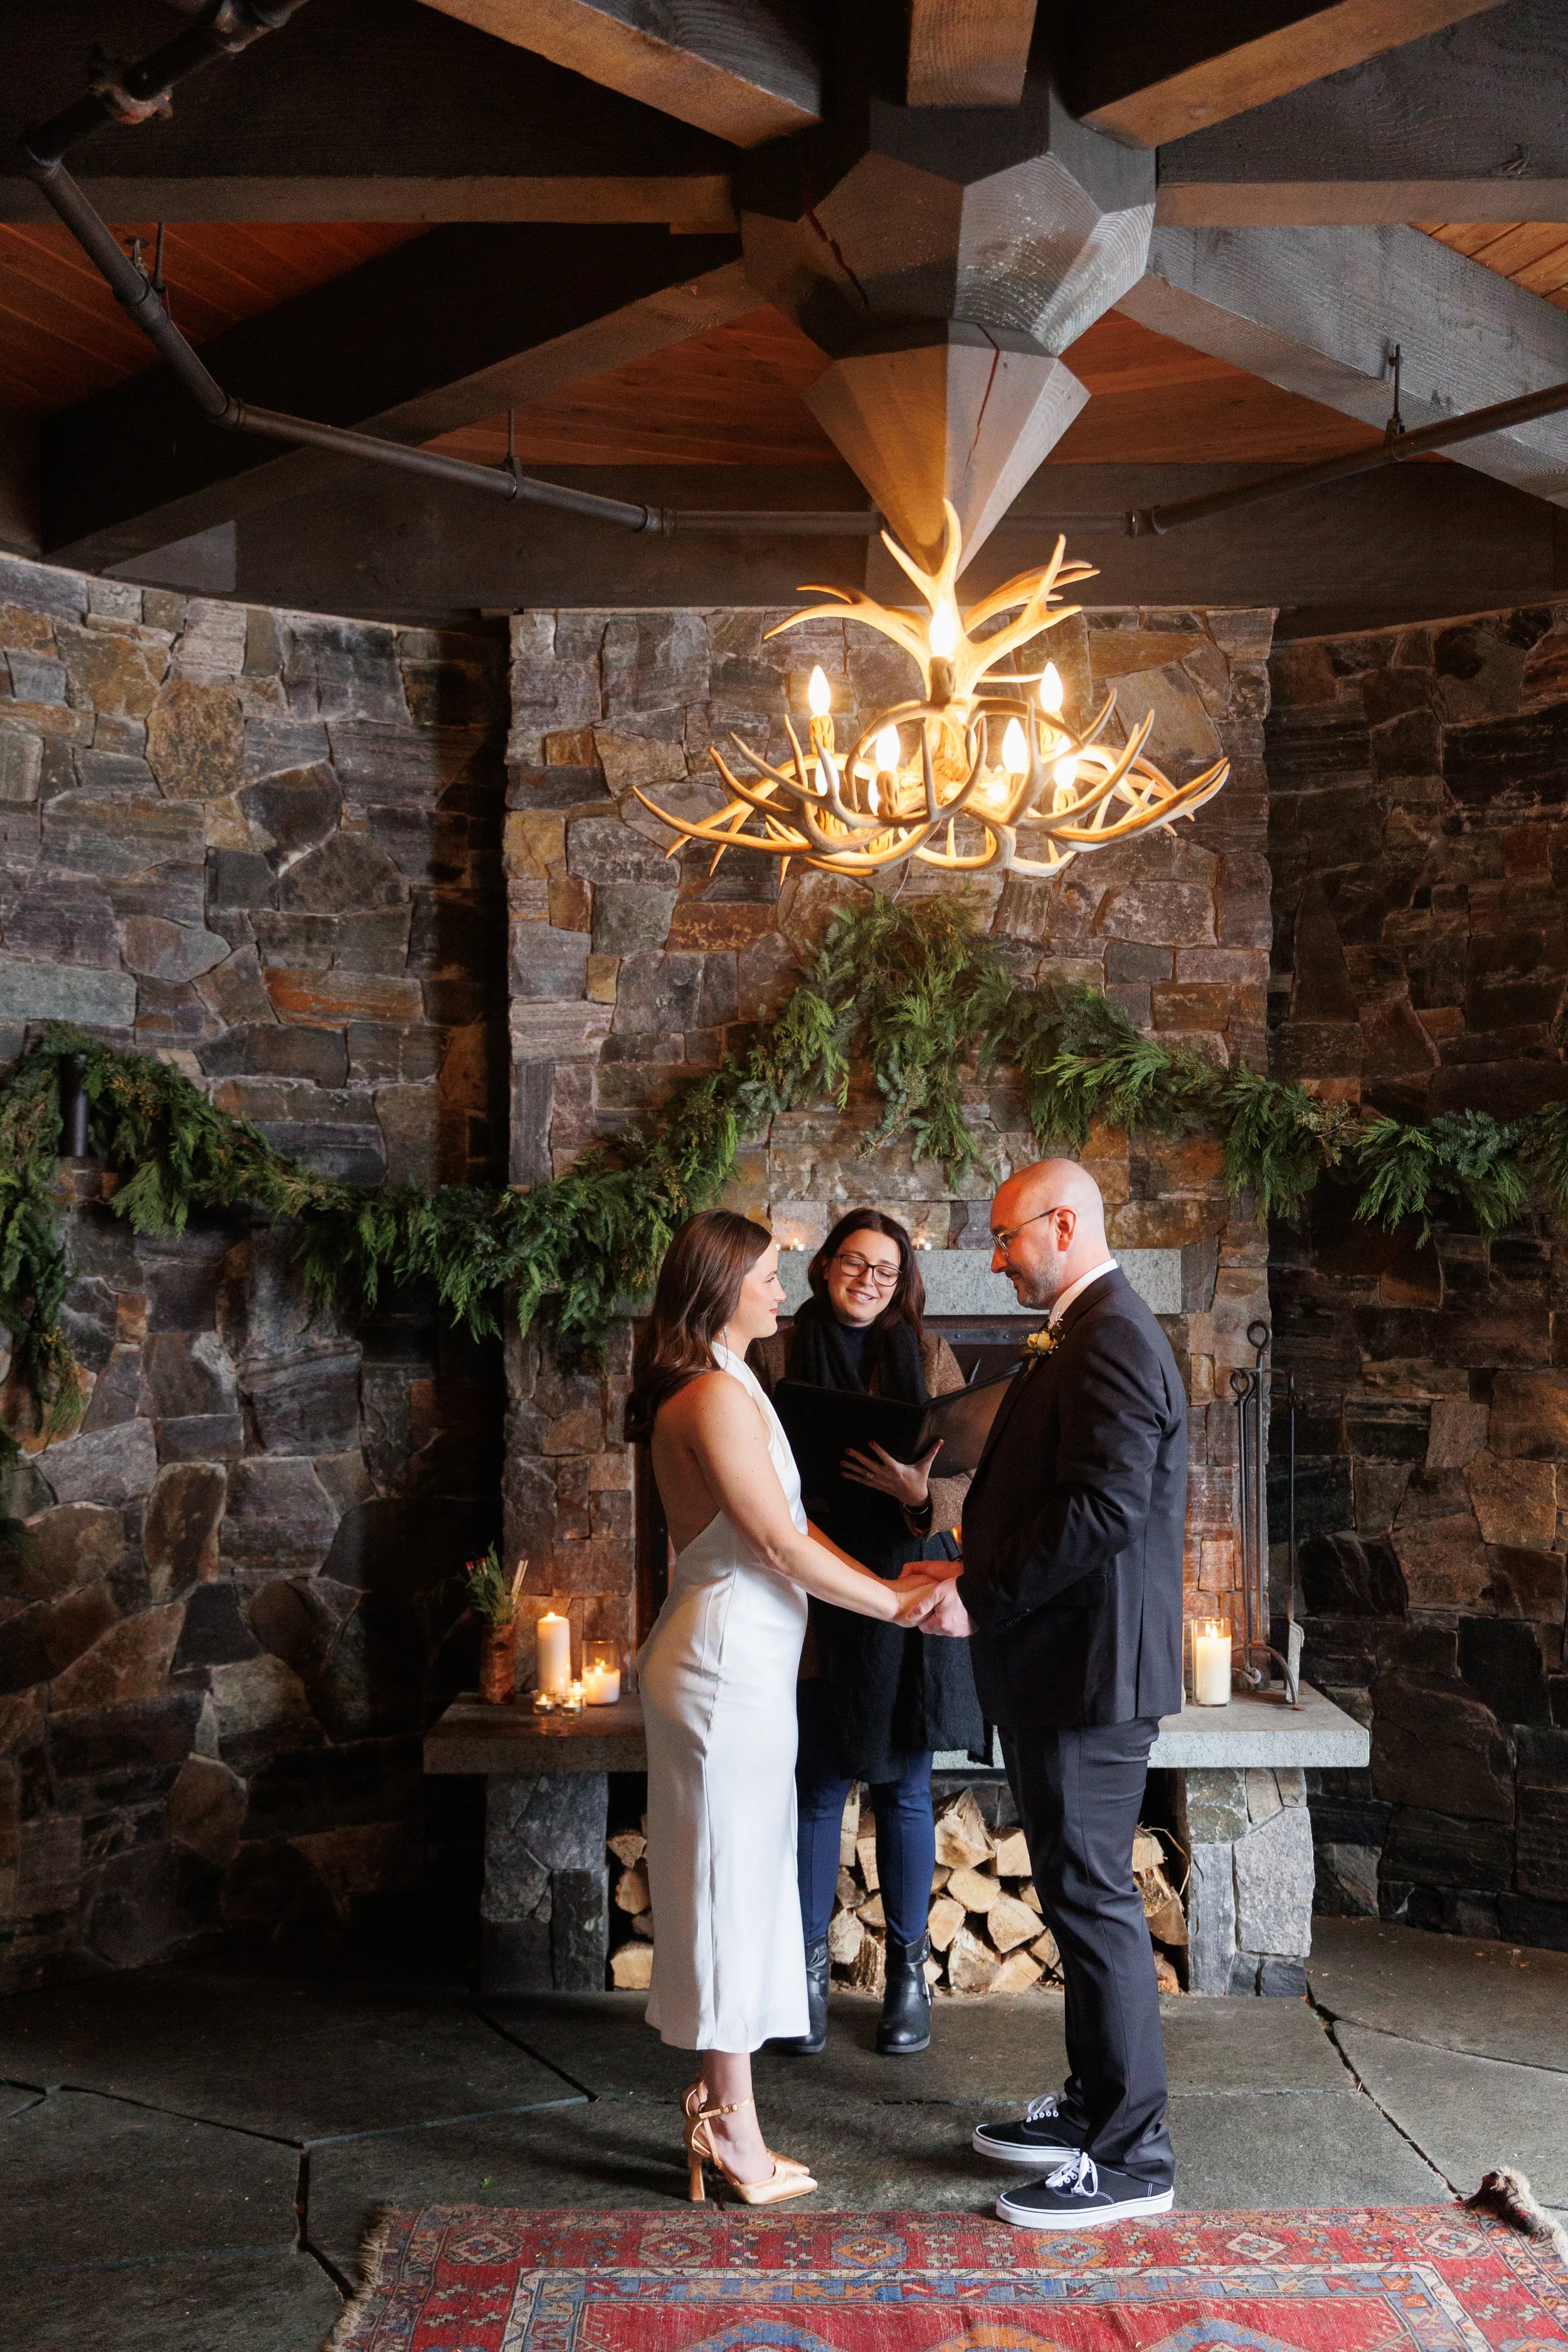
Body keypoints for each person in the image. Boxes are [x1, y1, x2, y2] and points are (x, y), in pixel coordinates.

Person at [627, 1209, 943, 2207]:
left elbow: (797, 1529)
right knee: (723, 1894)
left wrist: (901, 1573)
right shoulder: (715, 1394)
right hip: (722, 1666)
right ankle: (731, 2131)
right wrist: (894, 1601)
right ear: (722, 1285)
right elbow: (772, 1541)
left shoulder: (731, 1380)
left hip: (746, 1665)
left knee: (742, 1888)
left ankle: (728, 2115)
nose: (781, 1287)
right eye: (768, 1273)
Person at [918, 1160, 1187, 2232]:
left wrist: (981, 1592)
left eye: (1006, 1236)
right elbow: (1047, 1490)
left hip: (1088, 1672)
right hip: (1059, 1664)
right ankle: (1092, 2107)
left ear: (1064, 1223)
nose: (995, 1257)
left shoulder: (1114, 1331)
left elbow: (1105, 1511)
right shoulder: (1087, 1326)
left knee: (1094, 1900)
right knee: (1078, 1897)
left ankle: (1133, 2156)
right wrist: (960, 1555)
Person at [748, 1209, 985, 2058]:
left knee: (905, 1790)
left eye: (885, 1270)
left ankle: (907, 1978)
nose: (867, 1280)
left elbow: (961, 1479)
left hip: (904, 1583)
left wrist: (916, 1491)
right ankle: (805, 1979)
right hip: (809, 1585)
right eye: (854, 1261)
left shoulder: (925, 1354)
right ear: (825, 1266)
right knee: (815, 1786)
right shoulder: (773, 1350)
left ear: (902, 1279)